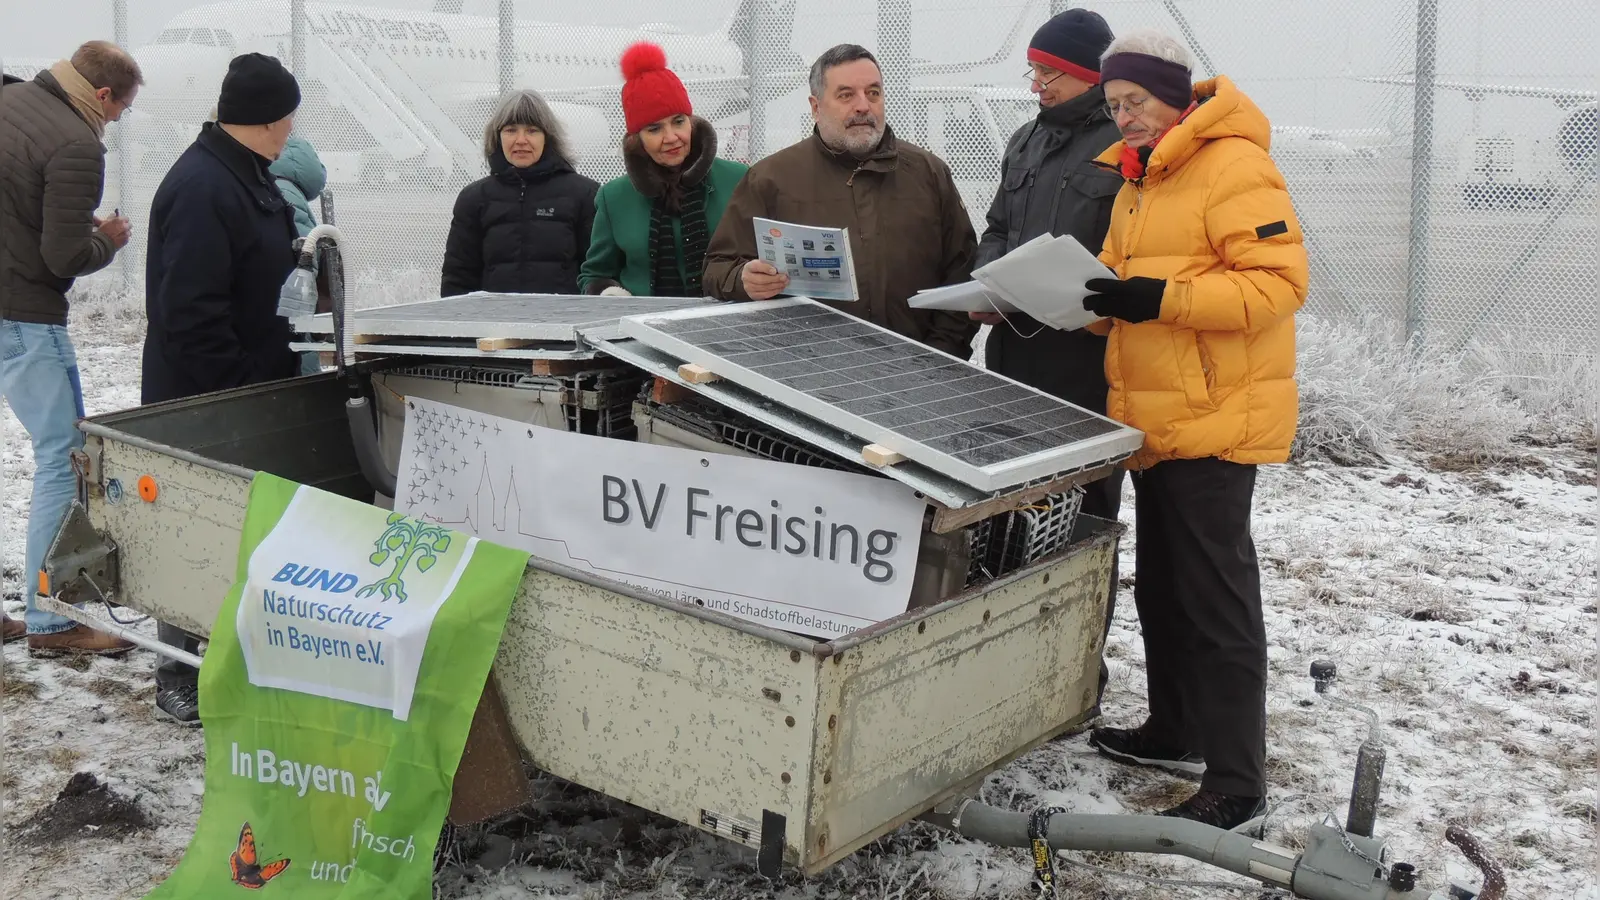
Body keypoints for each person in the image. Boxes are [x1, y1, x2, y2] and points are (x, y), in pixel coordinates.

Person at [1079, 30, 1309, 830]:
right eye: (1114, 105)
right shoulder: (1139, 177)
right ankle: (1174, 729)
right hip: (1156, 416)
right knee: (1166, 590)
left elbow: (1278, 285)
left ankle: (1238, 781)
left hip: (1216, 417)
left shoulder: (1234, 164)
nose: (1125, 118)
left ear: (1175, 97)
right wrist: (1094, 301)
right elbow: (1126, 279)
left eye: (1136, 101)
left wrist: (1158, 299)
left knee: (1217, 601)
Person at [969, 8, 1124, 720]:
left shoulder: (1125, 144)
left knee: (1081, 523)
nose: (1037, 84)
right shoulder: (1026, 139)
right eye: (1034, 71)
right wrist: (988, 277)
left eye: (1049, 72)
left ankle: (1075, 679)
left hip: (1084, 368)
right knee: (1009, 519)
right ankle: (1010, 674)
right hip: (1014, 358)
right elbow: (998, 226)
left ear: (1088, 73)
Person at [142, 52, 305, 723]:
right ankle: (177, 670)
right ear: (266, 118)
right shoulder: (204, 186)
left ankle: (238, 658)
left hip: (246, 387)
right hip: (204, 401)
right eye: (288, 117)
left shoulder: (244, 173)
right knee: (190, 533)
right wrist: (236, 391)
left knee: (236, 535)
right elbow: (190, 312)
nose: (291, 130)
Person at [0, 41, 143, 655]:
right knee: (63, 458)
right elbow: (63, 257)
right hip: (23, 316)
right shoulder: (76, 143)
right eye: (120, 109)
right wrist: (107, 240)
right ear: (102, 94)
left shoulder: (11, 102)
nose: (115, 120)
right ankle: (51, 619)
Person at [702, 44, 977, 358]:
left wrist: (938, 357)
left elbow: (963, 275)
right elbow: (717, 269)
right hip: (807, 371)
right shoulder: (770, 179)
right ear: (816, 106)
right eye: (846, 95)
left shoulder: (928, 173)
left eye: (873, 93)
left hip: (917, 367)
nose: (863, 106)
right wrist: (744, 280)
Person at [579, 42, 748, 298]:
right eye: (654, 129)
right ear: (637, 139)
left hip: (727, 315)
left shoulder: (738, 179)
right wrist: (609, 293)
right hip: (643, 319)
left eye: (678, 122)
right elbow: (594, 274)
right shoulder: (613, 197)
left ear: (692, 123)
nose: (671, 137)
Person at [441, 89, 598, 297]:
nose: (521, 140)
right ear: (497, 137)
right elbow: (458, 277)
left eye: (532, 130)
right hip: (494, 317)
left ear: (548, 137)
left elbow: (596, 273)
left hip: (562, 316)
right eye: (511, 130)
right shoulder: (473, 199)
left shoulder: (585, 194)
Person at [268, 130, 328, 375]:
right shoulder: (288, 192)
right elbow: (305, 256)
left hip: (281, 319)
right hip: (292, 322)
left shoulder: (271, 187)